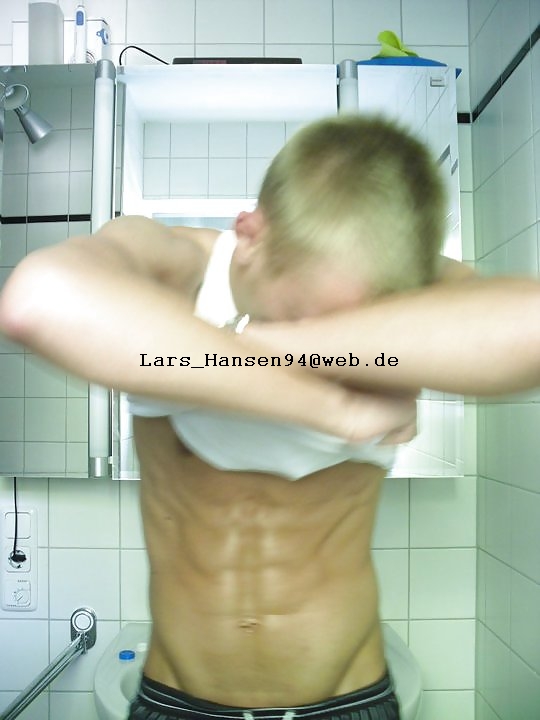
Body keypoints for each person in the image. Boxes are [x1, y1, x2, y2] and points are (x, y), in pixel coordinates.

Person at [0, 115, 539, 720]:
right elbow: (36, 300)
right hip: (179, 702)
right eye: (296, 312)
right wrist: (336, 407)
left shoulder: (392, 270)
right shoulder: (177, 267)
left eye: (340, 329)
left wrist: (278, 343)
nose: (320, 351)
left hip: (347, 700)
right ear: (249, 234)